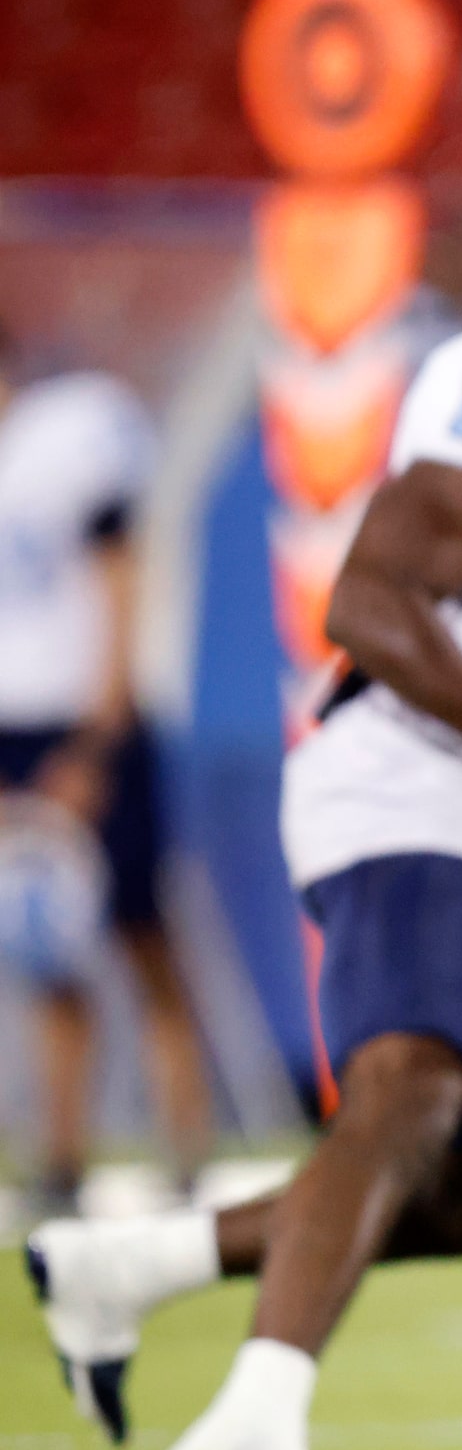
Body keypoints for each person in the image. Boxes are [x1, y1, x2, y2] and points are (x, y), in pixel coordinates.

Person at [24, 126, 462, 1450]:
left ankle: (127, 1265)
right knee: (405, 1090)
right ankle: (248, 1431)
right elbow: (369, 603)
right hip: (411, 786)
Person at [0, 338, 209, 1215]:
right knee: (43, 950)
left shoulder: (65, 434)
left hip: (89, 720)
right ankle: (63, 1157)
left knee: (143, 938)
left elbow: (122, 581)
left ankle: (187, 1148)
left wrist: (97, 741)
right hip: (13, 726)